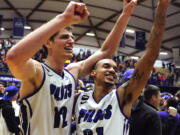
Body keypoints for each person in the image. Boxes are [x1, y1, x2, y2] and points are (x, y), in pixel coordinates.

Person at [6, 0, 136, 135]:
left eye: (72, 37)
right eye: (64, 37)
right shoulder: (37, 72)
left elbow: (106, 51)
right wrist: (62, 19)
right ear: (48, 43)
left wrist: (125, 15)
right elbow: (13, 57)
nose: (71, 41)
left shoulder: (72, 72)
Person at [74, 0, 171, 134]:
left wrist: (162, 7)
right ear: (93, 73)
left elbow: (150, 57)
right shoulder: (78, 99)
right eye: (106, 66)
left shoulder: (122, 97)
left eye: (115, 69)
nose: (113, 70)